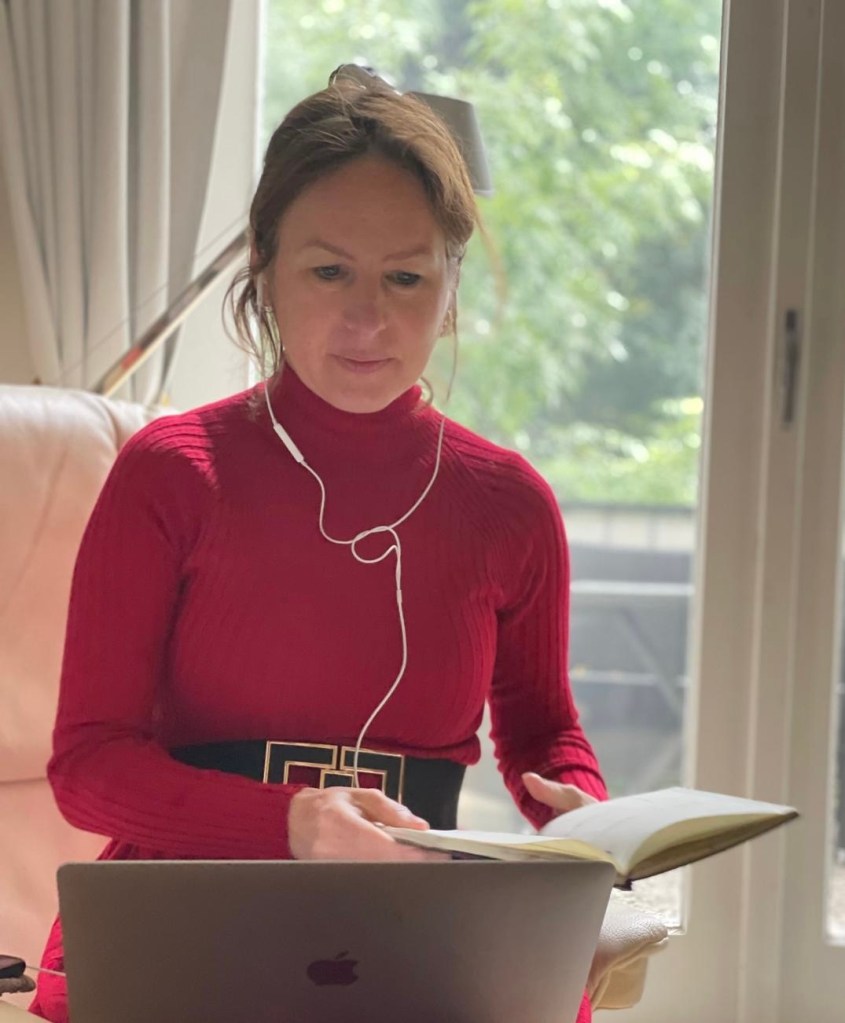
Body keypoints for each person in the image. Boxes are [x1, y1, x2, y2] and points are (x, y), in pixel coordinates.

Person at [29, 70, 607, 1022]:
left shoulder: (510, 503)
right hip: (186, 920)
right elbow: (89, 765)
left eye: (406, 277)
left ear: (449, 283)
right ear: (263, 264)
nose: (367, 319)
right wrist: (295, 823)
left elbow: (544, 733)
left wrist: (583, 810)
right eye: (329, 270)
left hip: (425, 930)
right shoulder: (172, 472)